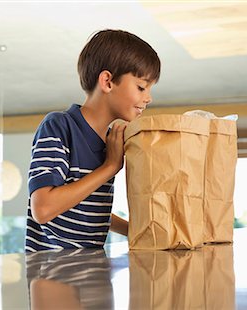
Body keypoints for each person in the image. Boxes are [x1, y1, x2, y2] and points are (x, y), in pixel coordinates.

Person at [25, 29, 161, 252]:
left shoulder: (109, 142)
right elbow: (43, 208)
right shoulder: (59, 126)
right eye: (141, 87)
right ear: (107, 81)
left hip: (89, 273)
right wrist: (110, 167)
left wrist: (135, 230)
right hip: (51, 275)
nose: (149, 97)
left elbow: (87, 211)